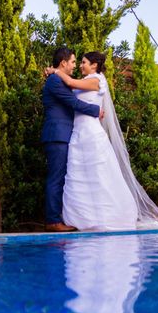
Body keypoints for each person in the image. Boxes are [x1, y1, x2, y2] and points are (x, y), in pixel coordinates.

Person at [52, 51, 158, 231]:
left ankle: (108, 217)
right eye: (79, 62)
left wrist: (53, 70)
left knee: (99, 175)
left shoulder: (97, 80)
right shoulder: (86, 81)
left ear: (94, 65)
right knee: (81, 176)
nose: (80, 65)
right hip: (77, 134)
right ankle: (84, 218)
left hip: (91, 134)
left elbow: (70, 82)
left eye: (83, 62)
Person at [42, 47, 102, 232]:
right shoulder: (54, 81)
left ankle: (58, 217)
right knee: (56, 178)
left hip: (62, 134)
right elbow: (73, 102)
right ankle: (52, 221)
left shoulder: (57, 78)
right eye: (73, 62)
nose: (75, 65)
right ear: (63, 63)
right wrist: (95, 111)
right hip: (57, 135)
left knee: (61, 177)